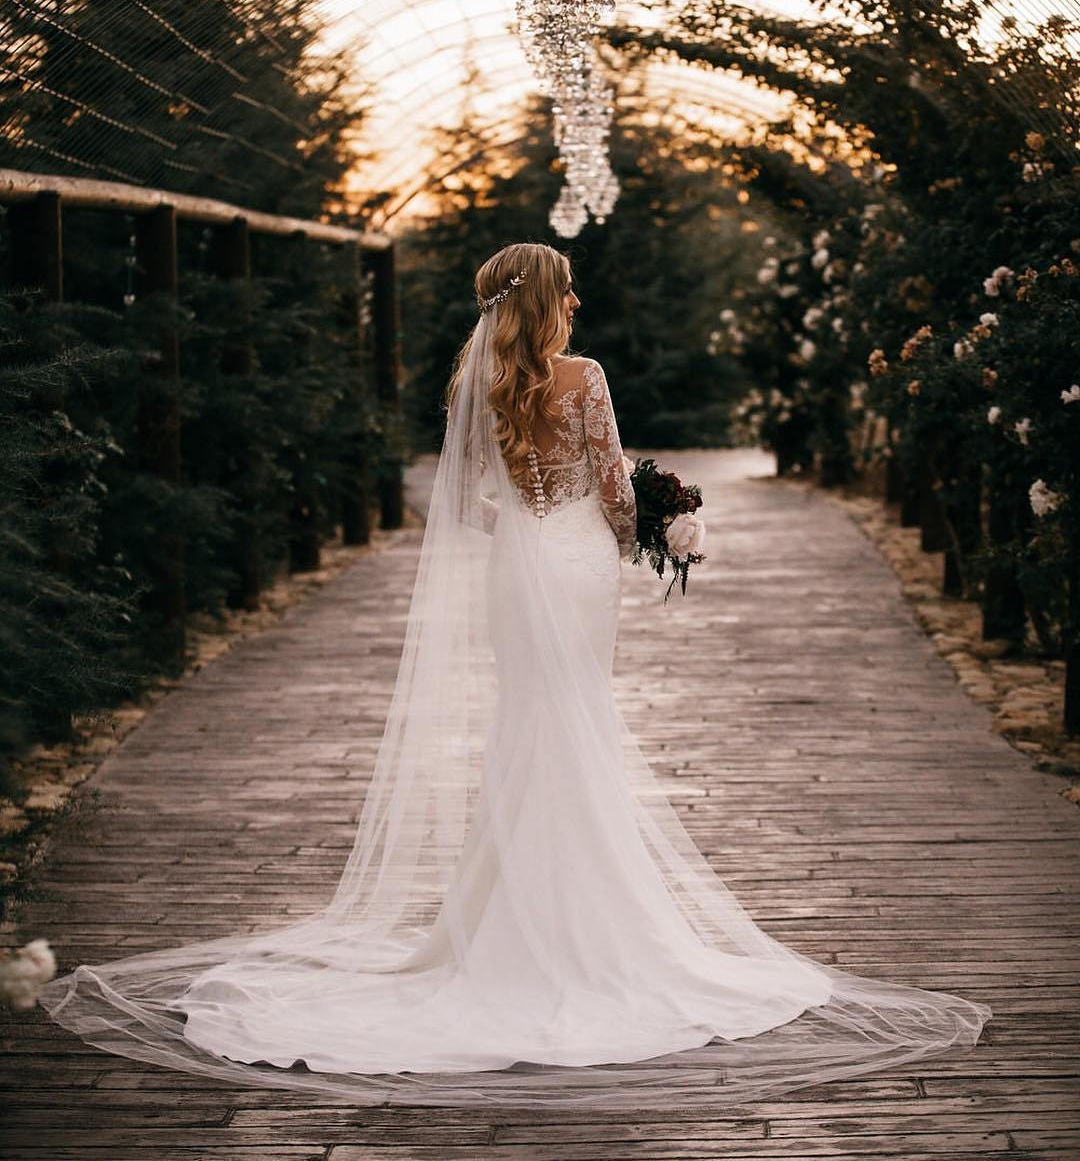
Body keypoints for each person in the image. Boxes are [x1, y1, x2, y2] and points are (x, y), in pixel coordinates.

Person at [38, 242, 991, 1109]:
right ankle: (571, 927)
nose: (577, 300)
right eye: (568, 289)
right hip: (574, 563)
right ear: (546, 302)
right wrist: (644, 536)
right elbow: (615, 487)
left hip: (519, 564)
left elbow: (460, 500)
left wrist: (528, 535)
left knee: (530, 725)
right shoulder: (586, 377)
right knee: (574, 725)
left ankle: (507, 916)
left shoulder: (475, 383)